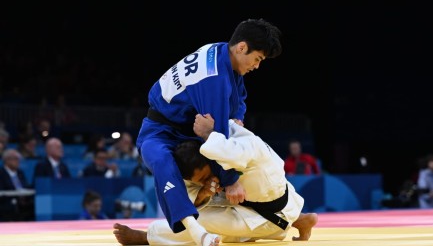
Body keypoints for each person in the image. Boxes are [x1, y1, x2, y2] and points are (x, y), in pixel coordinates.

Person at [135, 19, 282, 245]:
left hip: (191, 129)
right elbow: (218, 135)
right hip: (159, 131)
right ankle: (196, 232)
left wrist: (238, 119)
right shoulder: (214, 79)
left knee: (244, 155)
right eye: (258, 59)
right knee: (164, 162)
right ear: (242, 47)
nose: (257, 66)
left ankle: (282, 210)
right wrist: (231, 180)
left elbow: (239, 98)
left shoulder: (221, 51)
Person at [113, 114, 317, 245]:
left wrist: (211, 133)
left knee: (199, 224)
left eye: (206, 175)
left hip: (271, 209)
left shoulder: (241, 146)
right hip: (267, 205)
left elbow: (227, 144)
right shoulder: (198, 165)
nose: (208, 180)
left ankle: (148, 237)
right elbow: (190, 201)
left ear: (212, 159)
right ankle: (297, 219)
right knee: (201, 216)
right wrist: (203, 193)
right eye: (200, 180)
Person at [0, 148, 34, 221]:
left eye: (18, 159)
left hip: (23, 204)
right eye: (15, 159)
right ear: (7, 160)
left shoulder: (20, 173)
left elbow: (26, 187)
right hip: (7, 205)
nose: (18, 161)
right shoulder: (1, 174)